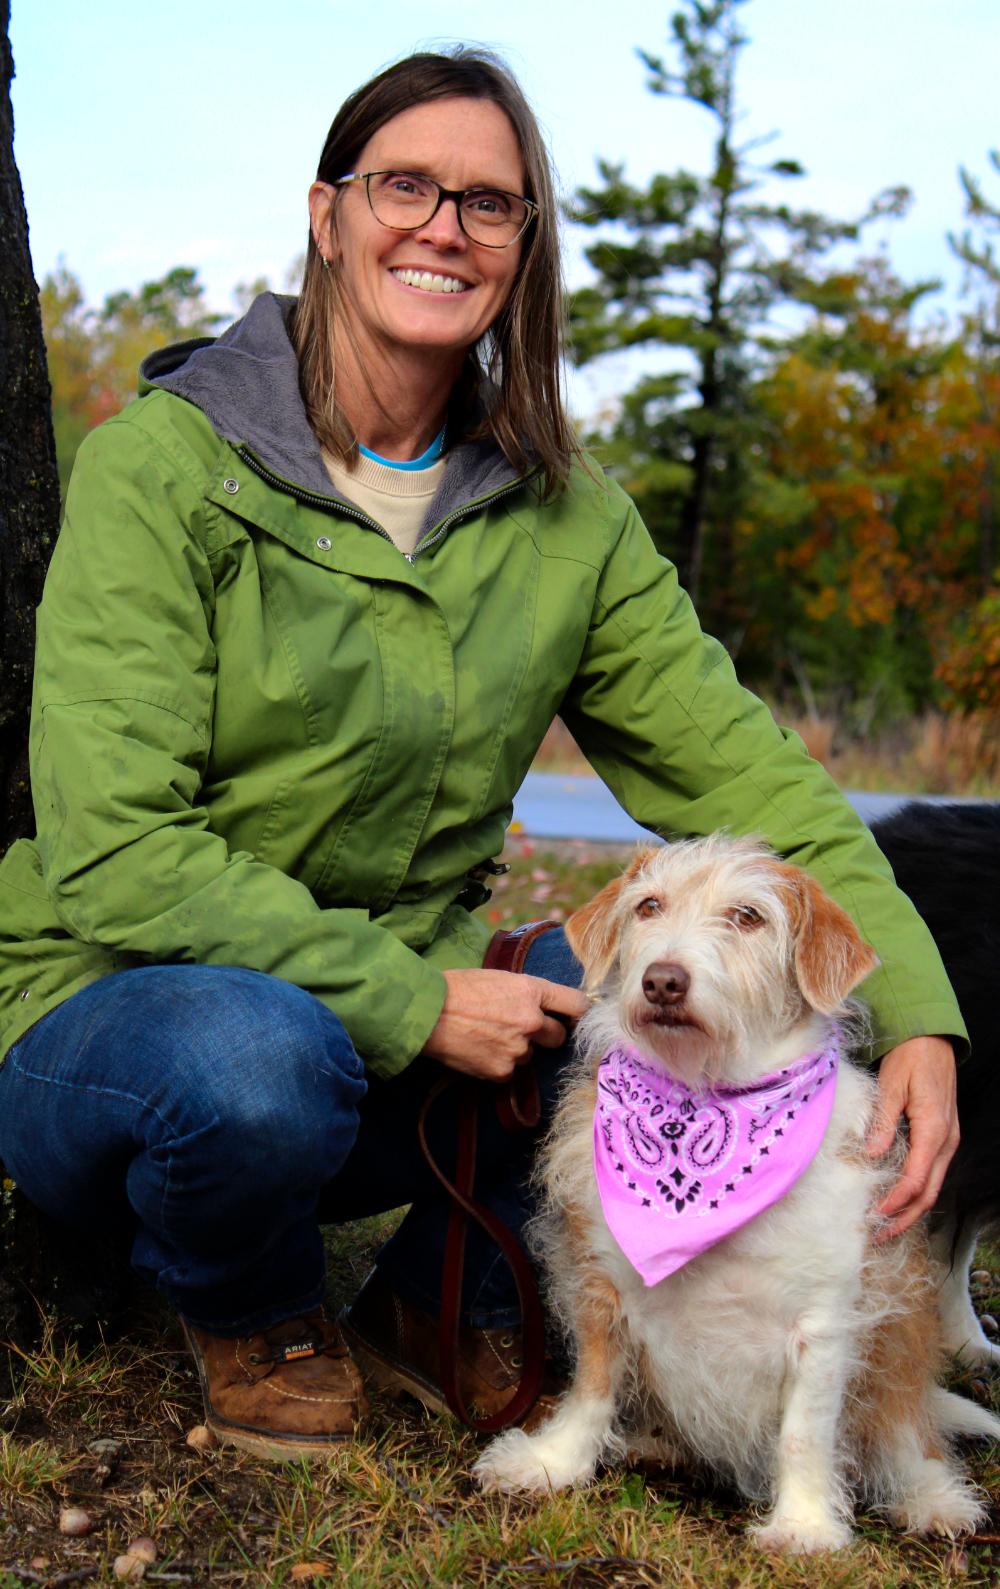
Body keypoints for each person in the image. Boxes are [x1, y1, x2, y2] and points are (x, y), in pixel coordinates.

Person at [0, 49, 963, 1459]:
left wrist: (919, 1007)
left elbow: (751, 783)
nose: (444, 226)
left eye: (491, 204)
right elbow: (116, 849)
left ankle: (436, 1297)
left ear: (524, 249)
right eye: (406, 186)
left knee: (643, 977)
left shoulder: (568, 520)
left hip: (393, 1024)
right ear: (327, 214)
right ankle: (247, 1300)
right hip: (122, 1020)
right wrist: (407, 996)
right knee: (254, 1057)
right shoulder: (162, 466)